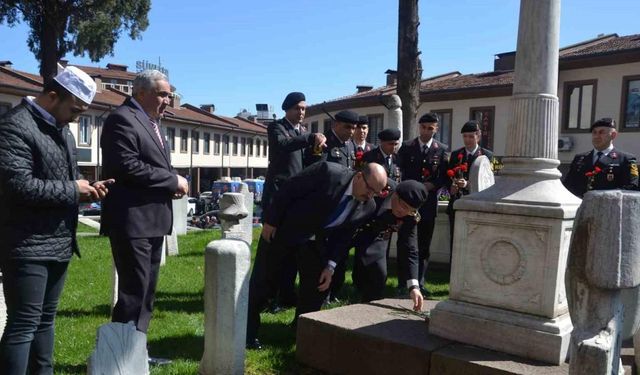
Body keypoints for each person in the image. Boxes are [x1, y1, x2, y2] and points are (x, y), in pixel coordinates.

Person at [0, 66, 112, 374]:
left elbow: (68, 180)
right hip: (26, 243)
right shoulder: (14, 127)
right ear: (52, 96)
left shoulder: (63, 131)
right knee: (23, 324)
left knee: (46, 321)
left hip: (59, 241)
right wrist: (73, 189)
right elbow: (17, 187)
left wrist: (86, 190)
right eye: (75, 110)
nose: (77, 118)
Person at [247, 162, 387, 347]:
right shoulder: (328, 173)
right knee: (263, 283)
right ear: (359, 176)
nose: (370, 196)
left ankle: (301, 333)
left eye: (376, 193)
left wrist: (330, 266)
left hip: (315, 243)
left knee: (317, 288)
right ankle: (247, 334)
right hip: (284, 230)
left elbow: (343, 237)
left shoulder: (367, 206)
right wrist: (271, 221)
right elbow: (288, 189)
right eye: (369, 189)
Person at [100, 71, 189, 346]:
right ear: (140, 93)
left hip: (153, 219)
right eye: (162, 94)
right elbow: (127, 166)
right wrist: (171, 180)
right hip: (132, 220)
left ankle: (135, 352)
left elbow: (154, 166)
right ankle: (119, 354)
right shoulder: (122, 119)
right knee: (134, 292)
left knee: (146, 293)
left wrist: (169, 184)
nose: (168, 101)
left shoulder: (153, 124)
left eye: (169, 95)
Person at [329, 180, 427, 306]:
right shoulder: (377, 189)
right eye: (402, 205)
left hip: (376, 235)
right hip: (350, 226)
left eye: (410, 210)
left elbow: (410, 249)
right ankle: (327, 296)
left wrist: (414, 287)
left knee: (379, 274)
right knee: (334, 262)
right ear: (395, 195)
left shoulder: (410, 216)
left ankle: (369, 307)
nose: (403, 212)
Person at [397, 113, 449, 296]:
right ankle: (403, 282)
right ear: (419, 127)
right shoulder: (407, 147)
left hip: (427, 205)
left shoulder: (441, 149)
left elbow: (444, 176)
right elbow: (399, 170)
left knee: (424, 246)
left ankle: (420, 282)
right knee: (405, 243)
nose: (426, 131)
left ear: (436, 129)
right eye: (424, 127)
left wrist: (433, 184)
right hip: (407, 204)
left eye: (430, 128)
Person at [446, 120, 494, 265]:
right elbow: (447, 176)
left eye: (471, 136)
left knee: (475, 241)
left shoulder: (487, 155)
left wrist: (468, 184)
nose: (467, 140)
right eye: (465, 136)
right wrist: (451, 186)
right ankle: (453, 270)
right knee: (455, 239)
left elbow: (489, 181)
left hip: (476, 204)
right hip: (457, 203)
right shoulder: (455, 155)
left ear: (478, 136)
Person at [562, 117, 638, 197]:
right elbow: (568, 185)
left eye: (601, 132)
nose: (596, 136)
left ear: (613, 135)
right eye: (594, 133)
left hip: (608, 207)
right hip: (580, 206)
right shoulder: (580, 158)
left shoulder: (625, 159)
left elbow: (631, 187)